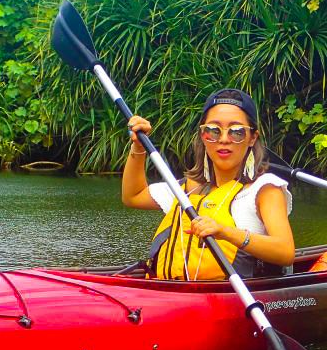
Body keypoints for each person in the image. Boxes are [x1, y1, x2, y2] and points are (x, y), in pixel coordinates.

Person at [121, 88, 295, 280]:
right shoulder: (188, 189)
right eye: (213, 130)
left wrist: (225, 232)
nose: (223, 139)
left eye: (236, 132)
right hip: (170, 294)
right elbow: (133, 196)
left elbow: (285, 252)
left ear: (252, 138)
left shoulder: (264, 189)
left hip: (230, 296)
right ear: (203, 136)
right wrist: (138, 146)